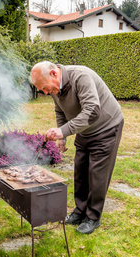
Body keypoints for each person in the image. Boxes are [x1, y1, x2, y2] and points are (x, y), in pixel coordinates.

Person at [30, 61, 124, 234]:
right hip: (85, 130)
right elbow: (60, 111)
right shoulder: (54, 87)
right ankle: (80, 212)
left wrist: (63, 130)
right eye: (41, 90)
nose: (45, 92)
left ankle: (93, 217)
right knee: (80, 172)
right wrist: (63, 137)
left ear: (53, 74)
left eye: (44, 88)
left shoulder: (81, 76)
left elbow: (93, 111)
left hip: (106, 126)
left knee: (97, 174)